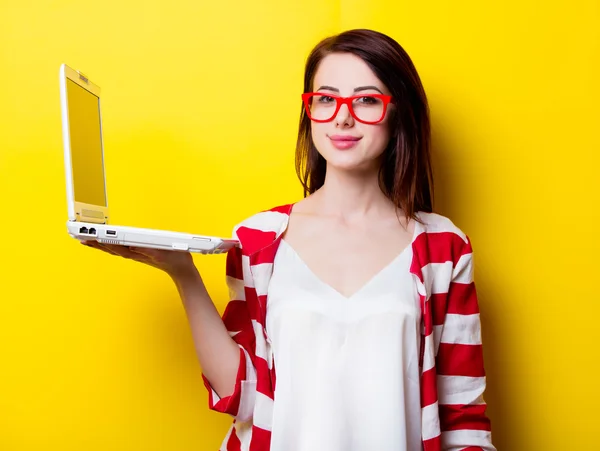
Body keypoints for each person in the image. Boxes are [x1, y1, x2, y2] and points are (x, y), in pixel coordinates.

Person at [83, 29, 495, 451]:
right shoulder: (259, 239)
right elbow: (242, 394)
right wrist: (183, 274)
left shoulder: (443, 247)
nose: (343, 117)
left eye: (367, 100)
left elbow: (463, 416)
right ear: (310, 109)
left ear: (397, 113)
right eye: (326, 99)